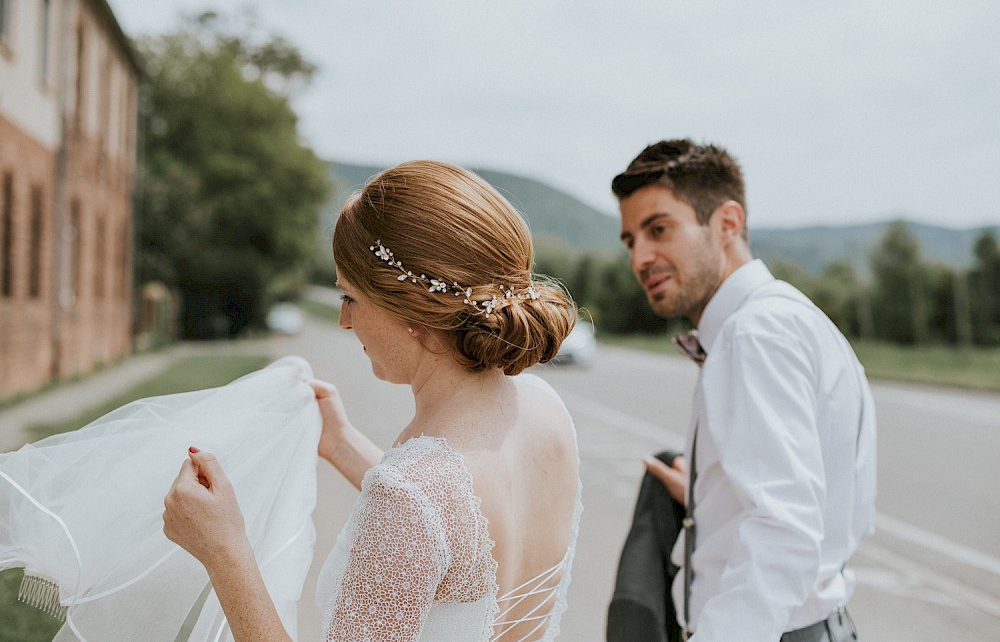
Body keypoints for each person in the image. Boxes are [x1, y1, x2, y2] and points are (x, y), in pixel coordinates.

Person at [162, 160, 583, 641]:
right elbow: (455, 536)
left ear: (411, 309)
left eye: (350, 298)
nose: (344, 322)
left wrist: (225, 551)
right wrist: (341, 444)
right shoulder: (544, 410)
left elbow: (424, 513)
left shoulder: (411, 496)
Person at [610, 140, 877, 641]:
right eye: (630, 241)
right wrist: (711, 495)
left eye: (658, 229)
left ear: (728, 224)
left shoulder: (755, 333)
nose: (640, 257)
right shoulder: (785, 315)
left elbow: (784, 533)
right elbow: (820, 504)